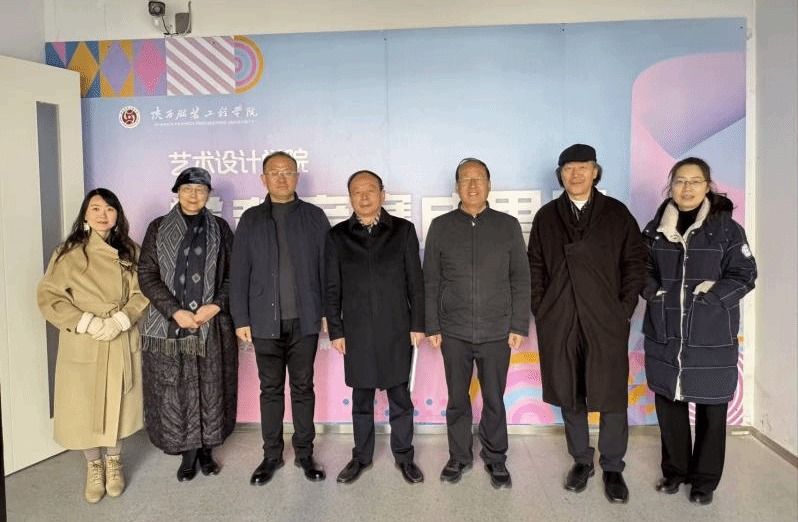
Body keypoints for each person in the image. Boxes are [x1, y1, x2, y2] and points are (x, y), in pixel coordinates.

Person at [527, 144, 646, 503]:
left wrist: (622, 309)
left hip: (605, 318)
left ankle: (612, 465)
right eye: (568, 168)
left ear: (595, 172)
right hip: (560, 316)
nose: (575, 174)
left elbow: (635, 262)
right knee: (569, 389)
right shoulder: (547, 216)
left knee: (611, 393)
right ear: (560, 174)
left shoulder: (616, 214)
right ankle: (581, 460)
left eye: (583, 167)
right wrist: (542, 308)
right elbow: (535, 266)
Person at [641, 157, 756, 506]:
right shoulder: (655, 229)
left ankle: (705, 481)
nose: (686, 188)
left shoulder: (727, 230)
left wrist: (712, 297)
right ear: (671, 186)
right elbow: (641, 268)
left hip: (710, 334)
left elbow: (745, 274)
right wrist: (653, 292)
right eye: (680, 181)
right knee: (669, 405)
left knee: (711, 409)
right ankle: (675, 471)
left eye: (694, 181)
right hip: (666, 332)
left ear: (707, 186)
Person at [37, 188, 149, 503]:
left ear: (118, 215)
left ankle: (114, 462)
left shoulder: (131, 251)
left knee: (118, 403)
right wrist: (86, 321)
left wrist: (121, 319)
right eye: (96, 208)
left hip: (119, 335)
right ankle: (93, 465)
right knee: (83, 404)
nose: (103, 214)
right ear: (85, 213)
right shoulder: (67, 253)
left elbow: (144, 291)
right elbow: (49, 296)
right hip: (84, 339)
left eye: (109, 209)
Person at [424, 158, 530, 489]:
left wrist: (518, 325)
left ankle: (495, 457)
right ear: (457, 186)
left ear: (489, 184)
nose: (472, 185)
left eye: (479, 178)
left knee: (494, 398)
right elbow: (431, 280)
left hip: (497, 330)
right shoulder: (441, 226)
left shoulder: (507, 225)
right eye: (465, 179)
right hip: (453, 330)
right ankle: (459, 456)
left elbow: (520, 277)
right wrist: (432, 325)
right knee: (457, 398)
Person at [230, 151, 330, 485]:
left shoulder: (314, 217)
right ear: (263, 179)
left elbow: (327, 268)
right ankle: (271, 455)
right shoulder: (251, 219)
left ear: (297, 176)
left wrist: (328, 312)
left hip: (305, 320)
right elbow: (239, 271)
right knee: (270, 389)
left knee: (303, 387)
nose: (282, 178)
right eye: (274, 172)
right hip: (263, 322)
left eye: (288, 171)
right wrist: (241, 318)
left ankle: (304, 453)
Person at [138, 167, 238, 482]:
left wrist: (215, 305)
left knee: (211, 386)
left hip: (212, 324)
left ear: (208, 194)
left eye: (200, 190)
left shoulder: (220, 228)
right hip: (169, 326)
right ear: (177, 192)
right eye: (187, 189)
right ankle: (188, 453)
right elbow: (146, 274)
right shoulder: (157, 228)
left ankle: (207, 449)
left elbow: (234, 274)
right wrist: (174, 311)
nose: (194, 195)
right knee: (175, 388)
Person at [325, 170, 425, 485]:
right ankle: (361, 457)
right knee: (361, 400)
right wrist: (337, 330)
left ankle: (404, 456)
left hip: (397, 329)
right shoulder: (338, 236)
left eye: (370, 190)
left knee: (400, 399)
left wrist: (417, 324)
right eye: (357, 191)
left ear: (383, 194)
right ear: (350, 198)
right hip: (357, 332)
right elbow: (331, 288)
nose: (364, 196)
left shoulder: (403, 231)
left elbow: (416, 283)